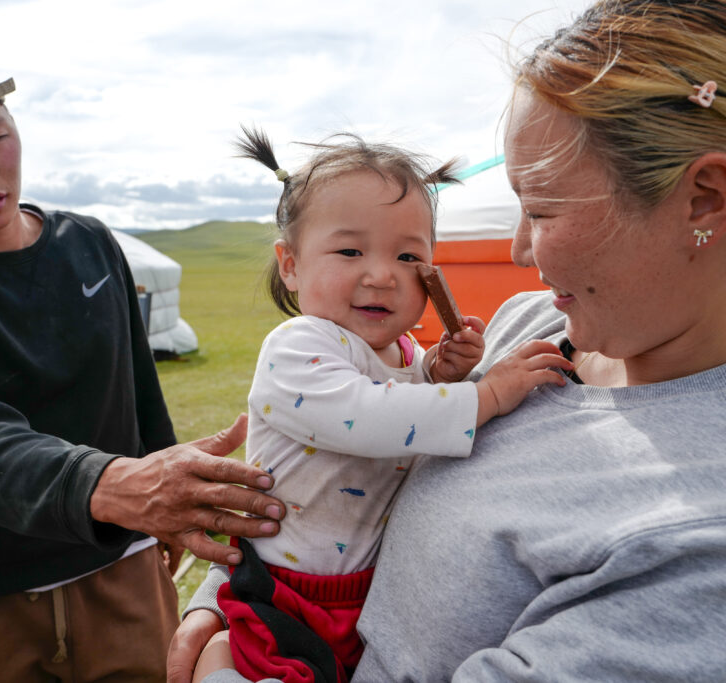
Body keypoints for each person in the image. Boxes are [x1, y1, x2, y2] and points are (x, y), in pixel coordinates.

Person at [168, 0, 726, 681]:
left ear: (705, 200)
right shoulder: (531, 328)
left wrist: (218, 668)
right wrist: (226, 602)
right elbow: (335, 474)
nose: (517, 250)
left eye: (542, 209)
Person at [0, 39, 287, 682]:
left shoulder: (88, 243)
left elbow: (137, 385)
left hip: (122, 573)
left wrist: (164, 501)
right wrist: (122, 489)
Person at [188, 128, 572, 683]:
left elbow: (400, 399)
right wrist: (483, 394)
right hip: (283, 588)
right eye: (350, 251)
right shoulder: (297, 346)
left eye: (408, 255)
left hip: (366, 591)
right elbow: (366, 417)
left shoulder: (406, 352)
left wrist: (436, 373)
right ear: (291, 264)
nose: (382, 275)